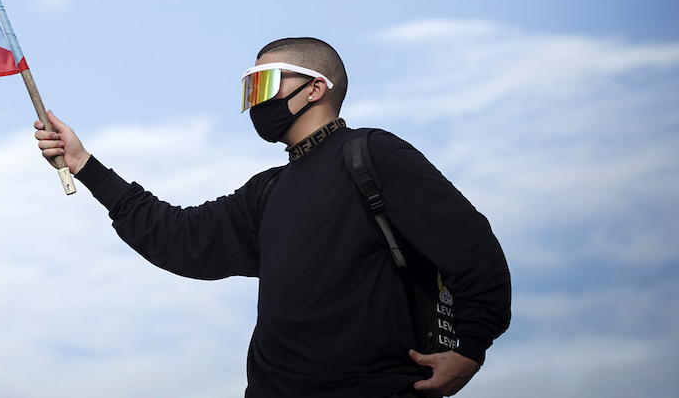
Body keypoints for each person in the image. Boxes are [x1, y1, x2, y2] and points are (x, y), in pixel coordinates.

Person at [34, 37, 510, 398]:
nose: (255, 101)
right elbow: (179, 238)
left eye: (263, 83)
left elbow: (475, 252)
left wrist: (471, 348)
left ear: (315, 88)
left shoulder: (374, 156)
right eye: (248, 89)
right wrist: (86, 165)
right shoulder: (267, 190)